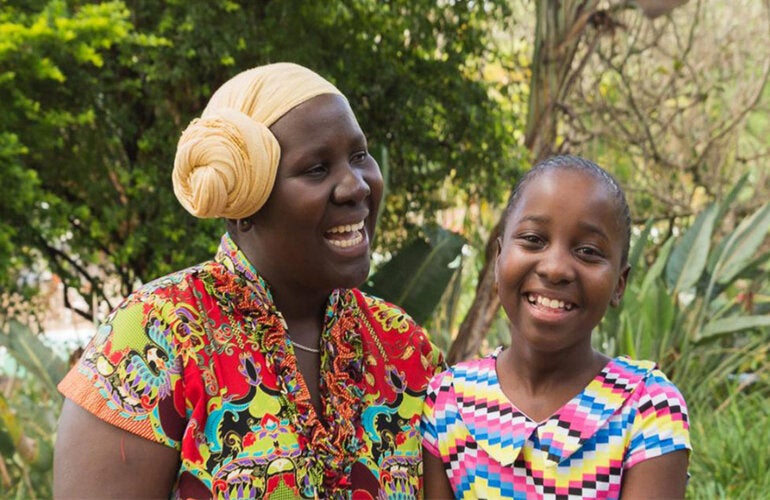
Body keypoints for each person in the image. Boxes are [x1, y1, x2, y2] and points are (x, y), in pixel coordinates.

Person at [54, 62, 444, 499]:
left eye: (359, 156)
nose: (356, 187)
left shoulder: (403, 347)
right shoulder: (158, 335)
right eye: (317, 168)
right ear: (245, 204)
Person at [421, 155, 691, 499]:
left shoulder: (646, 407)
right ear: (498, 259)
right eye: (534, 239)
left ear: (619, 284)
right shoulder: (448, 402)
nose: (555, 268)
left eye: (588, 251)